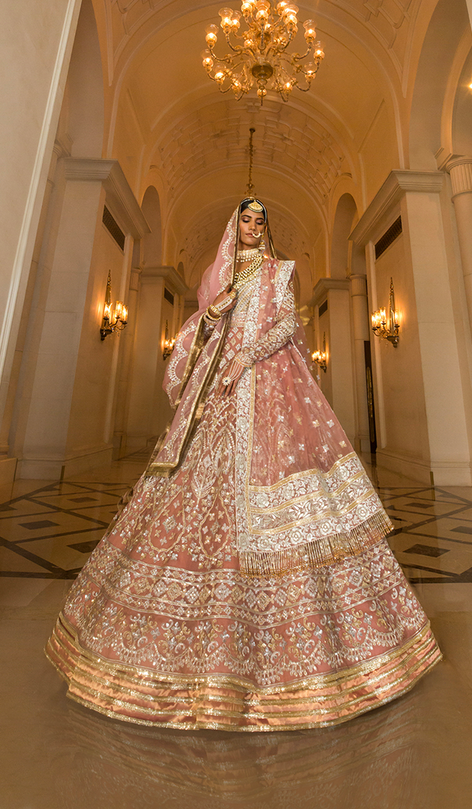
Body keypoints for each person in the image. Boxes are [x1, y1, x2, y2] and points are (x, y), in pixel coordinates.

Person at [46, 198, 441, 731]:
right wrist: (212, 316)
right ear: (235, 226)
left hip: (269, 386)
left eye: (261, 221)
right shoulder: (218, 274)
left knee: (284, 498)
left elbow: (284, 326)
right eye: (246, 221)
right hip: (215, 392)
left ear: (266, 229)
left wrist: (246, 356)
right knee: (194, 491)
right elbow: (202, 329)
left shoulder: (282, 272)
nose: (254, 228)